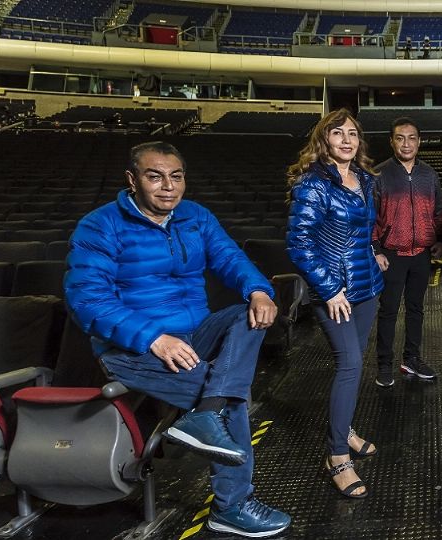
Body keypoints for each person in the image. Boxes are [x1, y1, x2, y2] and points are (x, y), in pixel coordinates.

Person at [64, 141, 291, 538]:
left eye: (176, 176)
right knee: (232, 402)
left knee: (249, 314)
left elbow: (230, 259)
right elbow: (86, 300)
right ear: (132, 181)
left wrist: (257, 290)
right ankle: (231, 507)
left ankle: (207, 411)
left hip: (193, 335)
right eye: (155, 176)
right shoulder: (100, 225)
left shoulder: (196, 217)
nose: (168, 186)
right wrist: (154, 338)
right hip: (133, 348)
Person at [286, 109, 384, 498]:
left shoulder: (362, 178)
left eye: (353, 134)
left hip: (367, 288)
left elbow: (360, 229)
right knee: (350, 365)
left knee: (356, 363)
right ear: (323, 140)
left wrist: (373, 251)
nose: (347, 139)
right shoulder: (313, 185)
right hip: (336, 294)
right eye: (338, 133)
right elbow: (299, 244)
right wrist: (328, 289)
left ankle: (345, 429)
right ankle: (338, 456)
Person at [373, 117, 442, 386]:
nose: (407, 143)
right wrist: (376, 249)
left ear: (419, 141)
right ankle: (384, 364)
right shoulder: (378, 174)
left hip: (421, 254)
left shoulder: (429, 174)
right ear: (391, 141)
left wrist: (440, 238)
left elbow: (439, 210)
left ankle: (411, 359)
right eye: (400, 138)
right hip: (391, 255)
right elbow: (371, 217)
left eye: (412, 137)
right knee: (389, 310)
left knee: (416, 309)